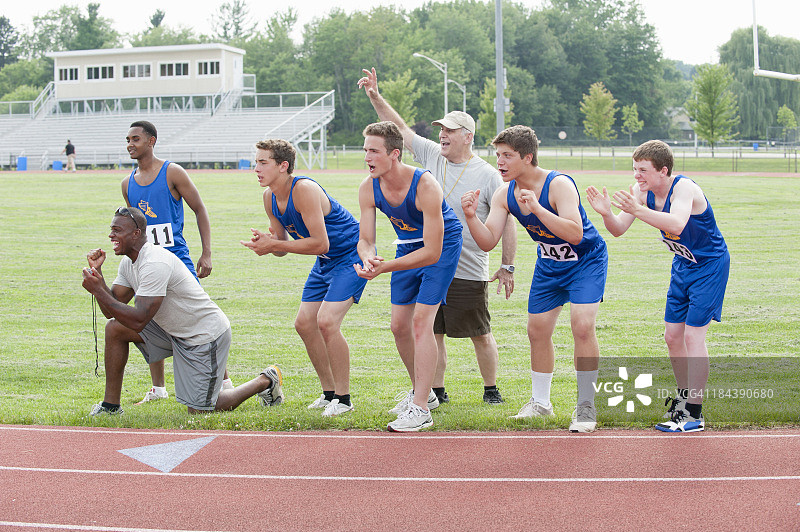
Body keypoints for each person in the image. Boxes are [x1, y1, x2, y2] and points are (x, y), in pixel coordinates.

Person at [358, 67, 516, 405]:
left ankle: (491, 389)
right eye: (441, 129)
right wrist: (375, 96)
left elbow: (508, 221)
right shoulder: (431, 154)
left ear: (467, 136)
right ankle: (433, 391)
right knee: (430, 329)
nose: (442, 134)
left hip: (466, 262)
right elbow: (396, 130)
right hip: (423, 254)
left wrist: (507, 265)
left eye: (450, 130)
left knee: (479, 332)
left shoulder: (488, 175)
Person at [461, 125, 608, 433]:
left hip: (586, 261)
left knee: (582, 325)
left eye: (507, 156)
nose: (500, 162)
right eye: (498, 155)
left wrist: (538, 209)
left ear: (527, 157)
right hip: (549, 266)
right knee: (537, 330)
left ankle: (586, 406)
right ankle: (540, 403)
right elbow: (488, 241)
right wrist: (472, 216)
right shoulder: (504, 193)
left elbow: (575, 233)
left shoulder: (559, 185)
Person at [81, 206, 284, 416]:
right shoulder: (128, 263)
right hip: (173, 331)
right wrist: (99, 276)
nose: (111, 235)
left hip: (203, 336)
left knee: (201, 410)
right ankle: (110, 407)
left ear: (136, 234)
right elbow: (112, 309)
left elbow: (139, 320)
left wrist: (98, 289)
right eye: (111, 229)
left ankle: (265, 380)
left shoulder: (154, 262)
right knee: (115, 328)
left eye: (117, 230)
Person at [586, 140, 730, 433]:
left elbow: (676, 224)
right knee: (672, 336)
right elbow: (618, 230)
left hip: (709, 265)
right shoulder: (641, 191)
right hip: (683, 264)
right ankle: (683, 399)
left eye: (643, 170)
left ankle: (695, 413)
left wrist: (637, 209)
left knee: (693, 337)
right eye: (635, 169)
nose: (637, 176)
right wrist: (605, 213)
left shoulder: (684, 189)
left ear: (663, 171)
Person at [241, 139, 367, 417]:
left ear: (283, 166)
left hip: (351, 256)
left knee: (327, 321)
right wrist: (267, 243)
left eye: (263, 162)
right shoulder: (269, 198)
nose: (256, 168)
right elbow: (282, 249)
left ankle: (344, 399)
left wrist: (274, 245)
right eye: (256, 162)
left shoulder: (305, 190)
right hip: (325, 261)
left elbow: (320, 243)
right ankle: (329, 393)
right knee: (304, 323)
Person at [355, 121, 463, 432]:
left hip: (440, 247)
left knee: (420, 322)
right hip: (405, 247)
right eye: (365, 151)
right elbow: (366, 239)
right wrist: (368, 257)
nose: (367, 157)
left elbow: (431, 252)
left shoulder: (426, 185)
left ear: (395, 154)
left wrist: (383, 267)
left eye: (374, 151)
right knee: (398, 325)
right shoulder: (368, 187)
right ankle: (424, 394)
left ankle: (420, 410)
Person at [121, 120, 230, 404]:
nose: (130, 144)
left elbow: (199, 208)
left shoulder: (172, 172)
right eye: (128, 140)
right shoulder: (127, 183)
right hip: (147, 263)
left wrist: (206, 252)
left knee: (199, 320)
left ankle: (225, 382)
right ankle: (158, 388)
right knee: (145, 315)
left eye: (136, 139)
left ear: (152, 141)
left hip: (176, 260)